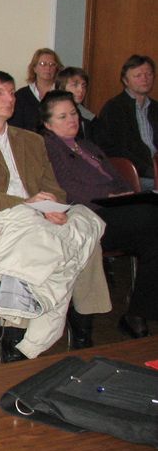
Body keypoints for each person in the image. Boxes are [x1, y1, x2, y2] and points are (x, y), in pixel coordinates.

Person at [0, 71, 109, 361]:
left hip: (35, 212)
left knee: (84, 232)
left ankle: (82, 329)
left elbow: (52, 187)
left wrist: (54, 209)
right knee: (30, 240)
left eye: (11, 93)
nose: (9, 99)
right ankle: (13, 336)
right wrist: (27, 204)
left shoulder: (30, 140)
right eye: (0, 93)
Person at [40, 90, 157, 340]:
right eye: (62, 116)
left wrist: (126, 195)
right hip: (88, 215)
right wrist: (110, 198)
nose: (72, 119)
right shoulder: (48, 149)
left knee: (154, 236)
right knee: (150, 217)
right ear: (48, 124)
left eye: (73, 113)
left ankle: (138, 312)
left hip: (117, 211)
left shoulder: (88, 145)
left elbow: (118, 178)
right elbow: (65, 188)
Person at [94, 54, 157, 191]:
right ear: (125, 80)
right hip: (135, 173)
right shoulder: (114, 108)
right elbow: (113, 149)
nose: (145, 79)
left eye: (149, 74)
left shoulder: (156, 108)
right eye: (138, 75)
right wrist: (150, 171)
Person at [9, 47, 63, 131]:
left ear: (57, 68)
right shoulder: (21, 95)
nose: (48, 68)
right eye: (42, 64)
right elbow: (15, 127)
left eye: (52, 64)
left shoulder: (62, 94)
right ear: (34, 68)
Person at [55, 66, 95, 140]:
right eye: (75, 85)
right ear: (61, 87)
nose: (81, 90)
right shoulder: (50, 114)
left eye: (84, 86)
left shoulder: (89, 118)